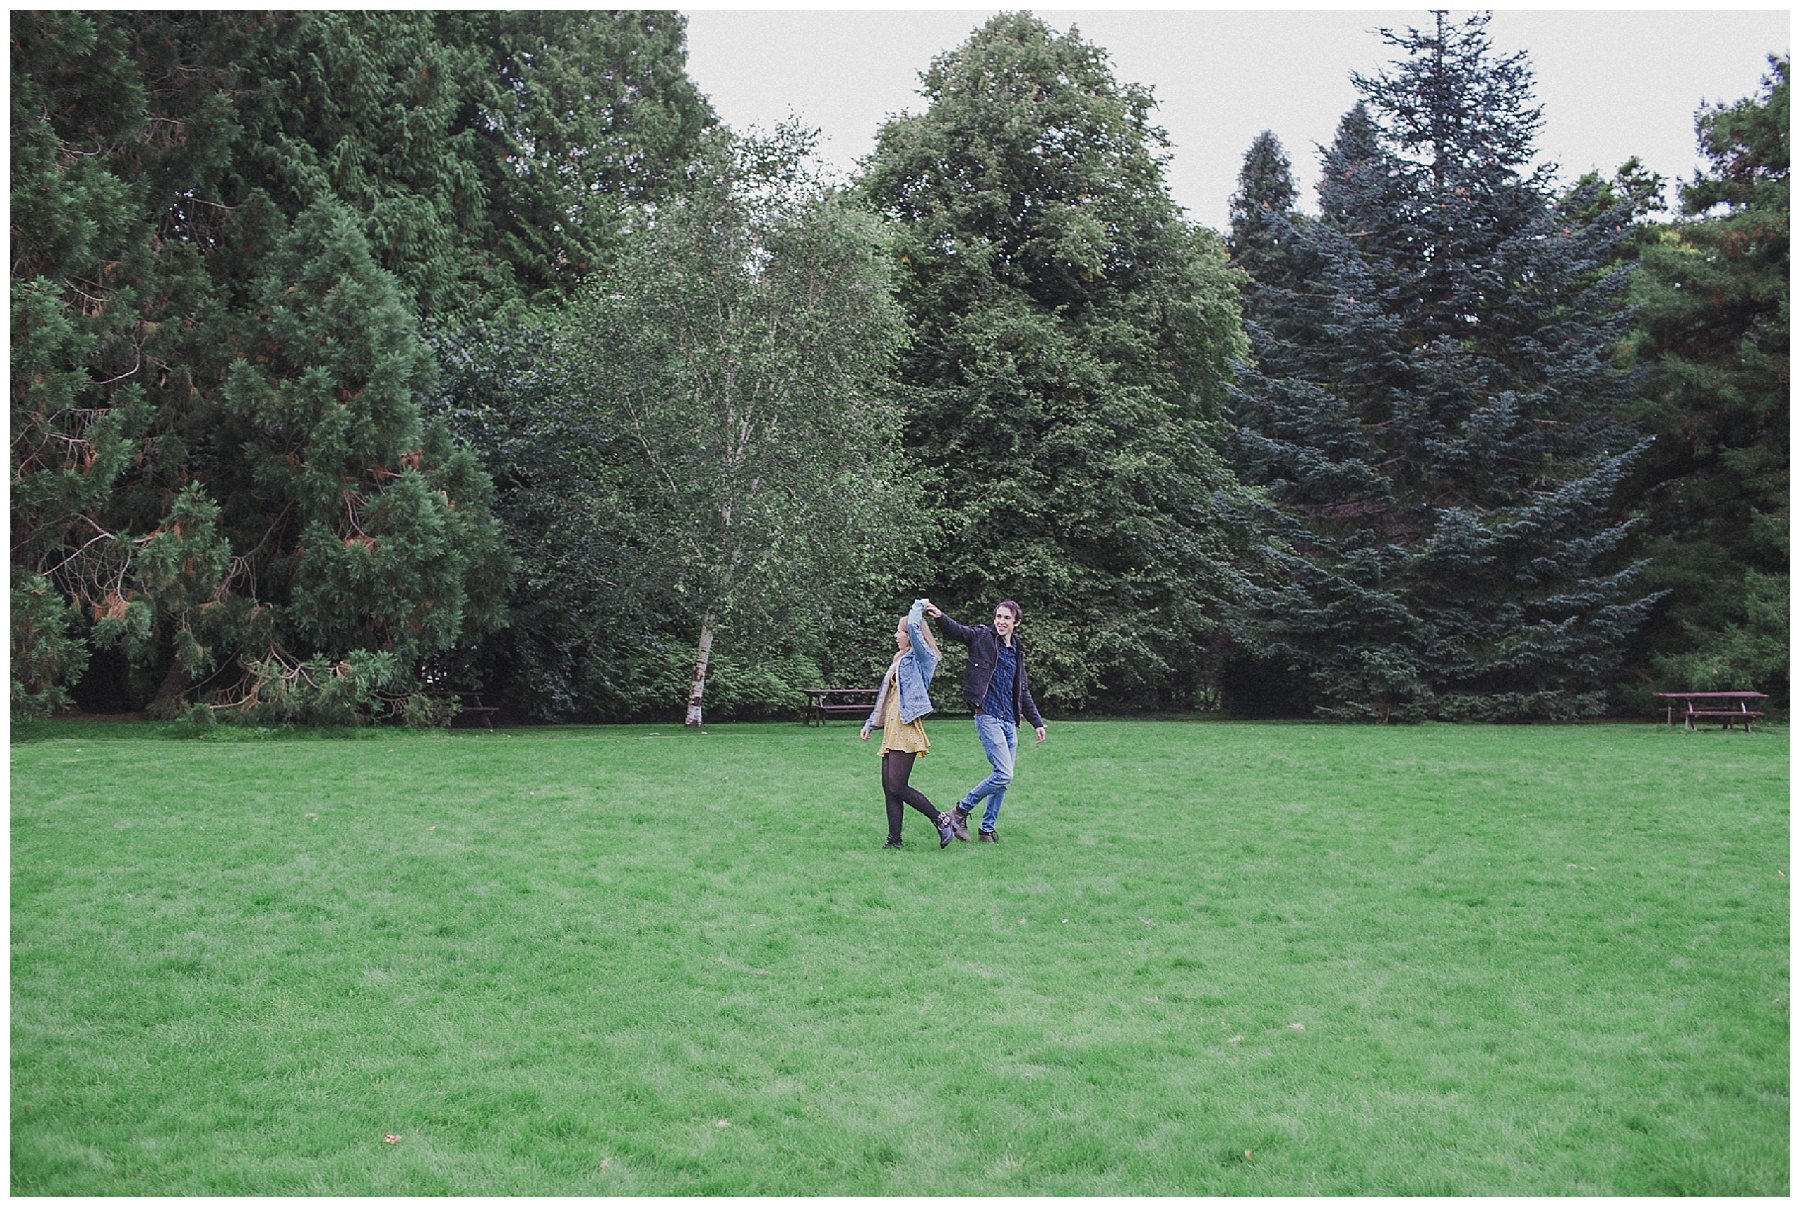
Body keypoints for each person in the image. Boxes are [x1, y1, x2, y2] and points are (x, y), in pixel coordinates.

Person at [920, 598, 1045, 843]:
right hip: (987, 715)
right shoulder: (982, 637)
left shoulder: (1017, 651)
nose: (1001, 622)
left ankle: (987, 829)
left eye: (1007, 618)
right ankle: (960, 810)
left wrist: (1037, 722)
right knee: (1004, 774)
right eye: (998, 616)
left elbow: (1023, 690)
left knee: (1004, 779)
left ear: (1016, 623)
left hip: (1009, 720)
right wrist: (939, 616)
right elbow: (958, 632)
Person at [861, 599, 959, 850]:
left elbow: (915, 627)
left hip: (906, 727)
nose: (896, 635)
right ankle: (894, 840)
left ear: (911, 636)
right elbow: (887, 695)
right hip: (892, 726)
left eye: (900, 631)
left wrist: (919, 606)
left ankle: (941, 819)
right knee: (889, 788)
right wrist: (871, 723)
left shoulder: (921, 658)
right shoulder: (899, 660)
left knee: (898, 785)